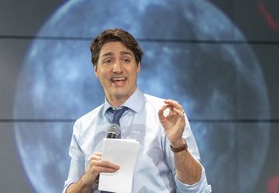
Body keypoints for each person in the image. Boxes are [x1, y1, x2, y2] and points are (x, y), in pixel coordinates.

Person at [63, 28, 211, 193]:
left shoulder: (165, 116)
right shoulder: (83, 126)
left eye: (126, 60)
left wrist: (178, 145)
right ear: (96, 70)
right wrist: (86, 179)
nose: (117, 68)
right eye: (107, 61)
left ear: (138, 66)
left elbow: (196, 188)